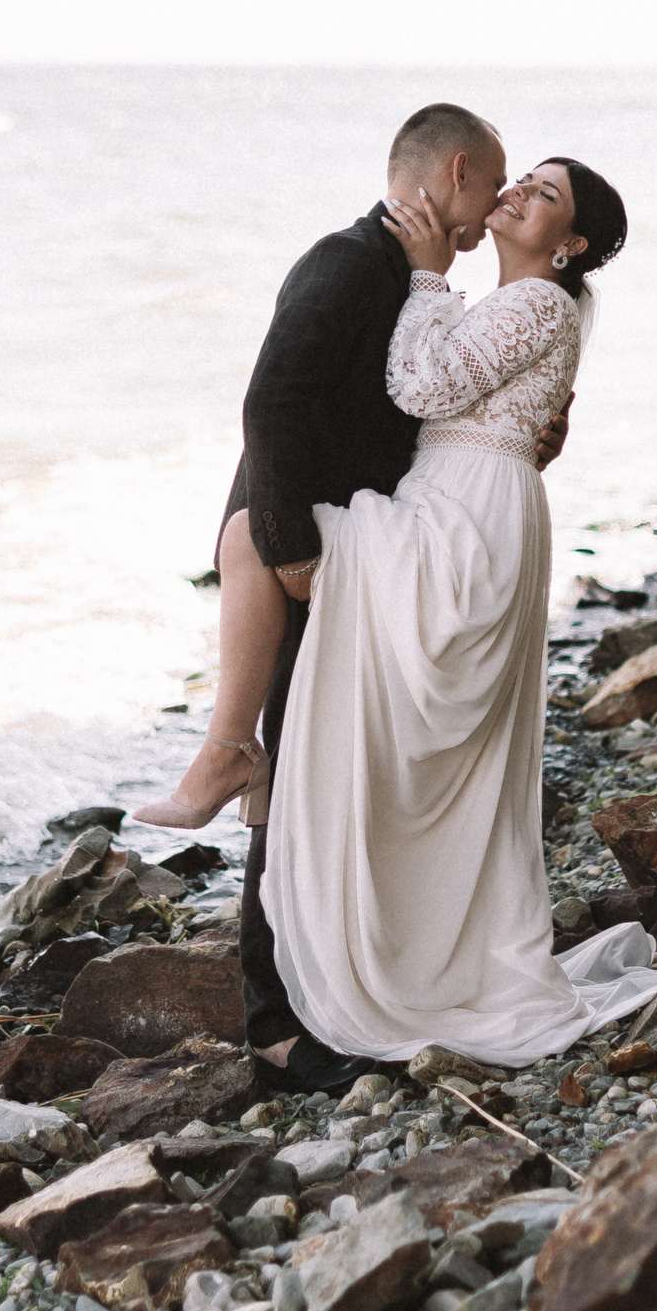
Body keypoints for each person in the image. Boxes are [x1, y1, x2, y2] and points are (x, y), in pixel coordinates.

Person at [253, 157, 657, 1066]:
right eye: (523, 180)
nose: (520, 195)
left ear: (569, 244)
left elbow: (419, 392)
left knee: (252, 543)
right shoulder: (525, 307)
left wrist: (423, 277)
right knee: (429, 748)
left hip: (464, 519)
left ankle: (232, 754)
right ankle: (389, 921)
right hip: (471, 500)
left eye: (545, 196)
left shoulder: (535, 303)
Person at [132, 104, 555, 1091]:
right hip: (308, 552)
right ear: (454, 172)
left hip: (361, 548)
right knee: (288, 781)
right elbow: (268, 410)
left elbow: (429, 402)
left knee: (315, 778)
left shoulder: (412, 276)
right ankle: (278, 1026)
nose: (496, 201)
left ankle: (326, 989)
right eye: (492, 182)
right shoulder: (347, 262)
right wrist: (288, 558)